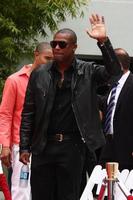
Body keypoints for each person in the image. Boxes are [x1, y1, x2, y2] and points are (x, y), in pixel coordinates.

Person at [19, 14, 121, 200]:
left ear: (74, 47)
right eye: (54, 43)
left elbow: (114, 74)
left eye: (62, 44)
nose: (57, 47)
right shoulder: (40, 74)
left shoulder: (87, 71)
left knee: (69, 195)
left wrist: (103, 42)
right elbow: (28, 112)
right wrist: (25, 146)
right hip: (43, 146)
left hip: (73, 147)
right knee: (41, 195)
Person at [0, 42, 53, 200]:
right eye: (47, 58)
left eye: (53, 59)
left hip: (47, 146)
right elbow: (5, 114)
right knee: (21, 192)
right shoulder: (15, 80)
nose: (50, 62)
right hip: (21, 146)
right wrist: (5, 146)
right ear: (36, 54)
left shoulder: (54, 80)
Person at [99, 48, 133, 171]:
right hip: (108, 145)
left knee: (124, 188)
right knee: (102, 184)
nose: (105, 69)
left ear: (117, 65)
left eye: (108, 65)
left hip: (127, 149)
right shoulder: (113, 85)